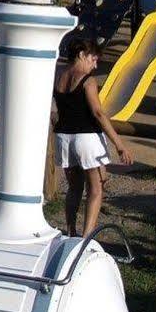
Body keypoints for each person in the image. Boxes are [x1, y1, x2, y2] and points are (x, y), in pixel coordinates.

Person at [53, 32, 133, 236]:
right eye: (93, 59)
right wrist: (119, 144)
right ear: (81, 55)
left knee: (74, 188)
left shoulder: (58, 76)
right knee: (96, 189)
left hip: (63, 137)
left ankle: (71, 230)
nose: (95, 65)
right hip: (86, 138)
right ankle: (87, 235)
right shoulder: (88, 81)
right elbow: (98, 113)